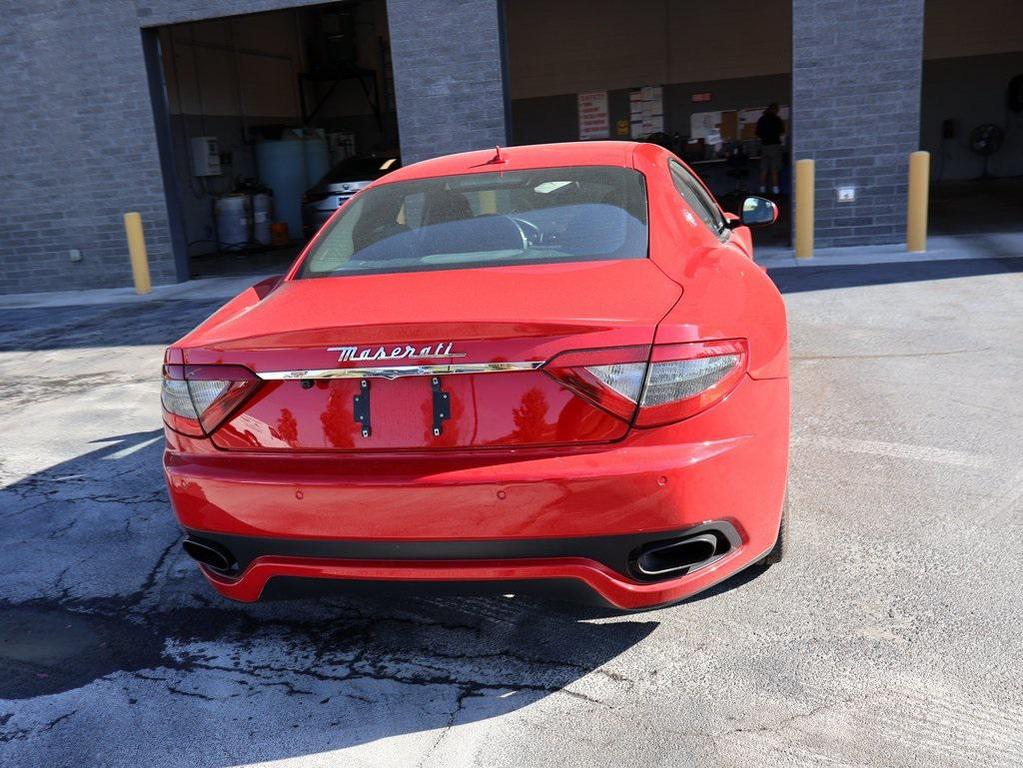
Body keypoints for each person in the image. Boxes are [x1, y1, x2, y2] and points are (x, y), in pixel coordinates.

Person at [755, 103, 785, 195]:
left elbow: (757, 133)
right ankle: (775, 190)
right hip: (775, 145)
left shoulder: (761, 119)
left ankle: (762, 189)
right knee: (774, 169)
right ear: (775, 110)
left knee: (764, 169)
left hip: (764, 146)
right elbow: (782, 131)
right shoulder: (777, 119)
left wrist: (764, 137)